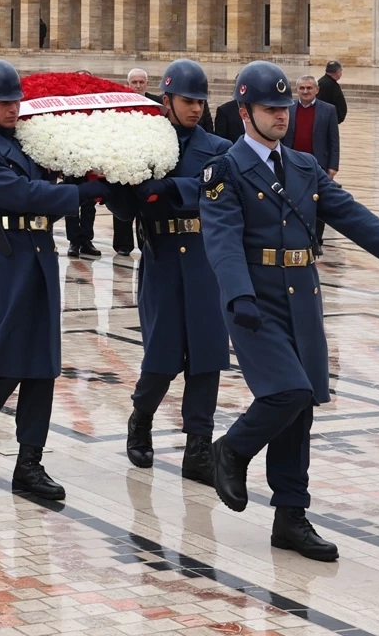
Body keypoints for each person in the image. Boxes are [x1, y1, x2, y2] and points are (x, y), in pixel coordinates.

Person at [203, 60, 379, 561]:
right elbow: (221, 239)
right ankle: (232, 450)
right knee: (288, 392)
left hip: (302, 294)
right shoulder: (225, 170)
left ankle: (290, 516)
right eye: (270, 108)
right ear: (244, 112)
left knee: (301, 409)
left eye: (284, 107)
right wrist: (237, 293)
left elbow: (348, 212)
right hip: (254, 299)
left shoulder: (303, 166)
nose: (281, 116)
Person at [0, 59, 116, 500]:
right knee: (4, 357)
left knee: (42, 363)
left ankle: (30, 462)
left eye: (15, 102)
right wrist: (81, 193)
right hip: (2, 261)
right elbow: (22, 195)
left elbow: (54, 172)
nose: (12, 110)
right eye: (3, 103)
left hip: (40, 256)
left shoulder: (32, 142)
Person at [124, 59, 231, 484]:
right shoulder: (147, 143)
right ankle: (141, 417)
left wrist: (172, 189)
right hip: (162, 255)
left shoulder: (219, 147)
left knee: (206, 356)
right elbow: (125, 201)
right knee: (162, 354)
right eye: (188, 101)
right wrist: (124, 190)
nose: (196, 109)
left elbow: (216, 188)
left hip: (204, 259)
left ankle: (198, 447)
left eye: (201, 102)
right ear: (165, 100)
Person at [288, 75, 340, 248]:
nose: (305, 91)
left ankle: (316, 239)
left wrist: (333, 166)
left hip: (318, 165)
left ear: (317, 90)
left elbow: (334, 140)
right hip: (292, 164)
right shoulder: (288, 109)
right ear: (297, 90)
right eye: (302, 88)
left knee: (317, 202)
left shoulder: (328, 110)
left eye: (309, 88)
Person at [113, 68, 158, 257]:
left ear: (147, 84)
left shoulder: (155, 102)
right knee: (122, 201)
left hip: (146, 161)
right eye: (134, 82)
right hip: (123, 159)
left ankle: (144, 240)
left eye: (141, 82)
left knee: (145, 202)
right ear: (128, 84)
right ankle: (123, 244)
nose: (138, 86)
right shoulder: (119, 102)